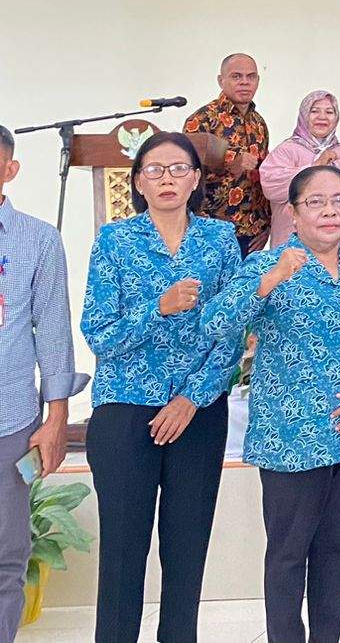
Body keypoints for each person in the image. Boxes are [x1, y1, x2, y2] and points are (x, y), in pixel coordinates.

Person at [202, 165, 340, 643]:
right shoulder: (264, 264)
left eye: (339, 200)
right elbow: (214, 324)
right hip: (290, 437)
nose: (330, 210)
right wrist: (271, 279)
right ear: (292, 213)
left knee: (337, 549)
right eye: (315, 202)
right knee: (289, 552)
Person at [80, 132, 244, 643]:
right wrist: (159, 308)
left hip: (196, 412)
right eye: (154, 170)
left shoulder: (220, 239)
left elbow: (232, 329)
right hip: (125, 412)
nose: (167, 178)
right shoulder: (115, 239)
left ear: (196, 178)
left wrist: (192, 397)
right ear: (138, 182)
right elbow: (99, 333)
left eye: (178, 168)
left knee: (187, 548)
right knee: (124, 551)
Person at [0, 125, 87, 643]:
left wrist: (56, 417)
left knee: (6, 556)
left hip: (9, 417)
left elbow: (54, 329)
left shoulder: (36, 239)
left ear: (10, 169)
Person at [184, 51, 271, 253]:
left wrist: (267, 225)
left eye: (251, 77)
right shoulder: (202, 119)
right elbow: (187, 175)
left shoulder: (259, 123)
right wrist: (230, 164)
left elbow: (264, 175)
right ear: (220, 80)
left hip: (252, 233)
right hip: (210, 231)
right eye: (236, 76)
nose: (244, 82)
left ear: (258, 81)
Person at [259, 90, 340, 246]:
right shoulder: (287, 150)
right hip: (291, 244)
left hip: (336, 243)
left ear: (336, 118)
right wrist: (315, 166)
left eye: (329, 112)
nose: (322, 117)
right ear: (303, 116)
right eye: (314, 111)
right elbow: (271, 186)